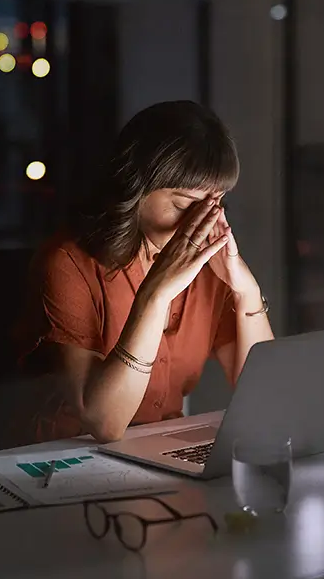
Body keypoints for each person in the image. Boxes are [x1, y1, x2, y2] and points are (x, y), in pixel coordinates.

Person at [14, 101, 274, 444]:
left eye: (217, 203)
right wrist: (157, 293)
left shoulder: (209, 269)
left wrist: (247, 291)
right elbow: (104, 423)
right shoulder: (67, 263)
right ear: (136, 188)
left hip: (156, 450)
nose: (204, 221)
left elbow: (267, 398)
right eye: (185, 205)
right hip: (62, 462)